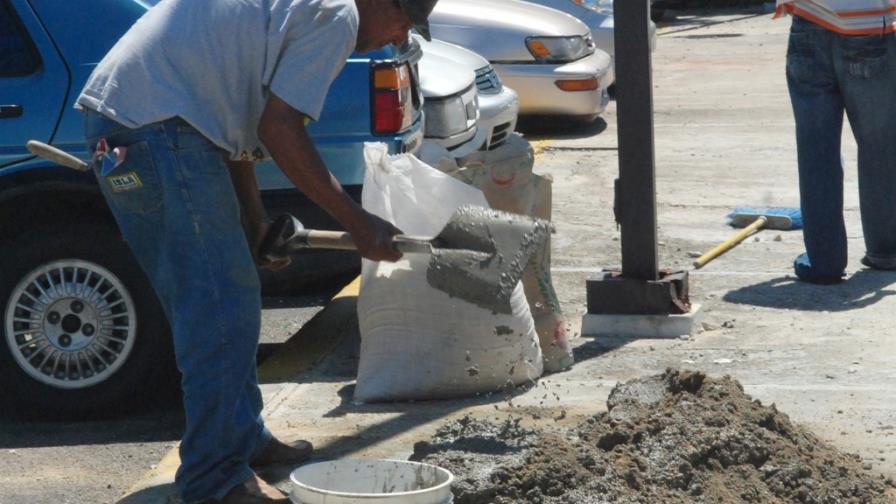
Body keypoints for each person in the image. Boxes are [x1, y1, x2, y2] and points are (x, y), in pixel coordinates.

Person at [76, 0, 438, 502]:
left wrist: (254, 217)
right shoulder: (338, 14)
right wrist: (357, 222)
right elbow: (280, 128)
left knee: (226, 296)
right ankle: (214, 475)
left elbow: (239, 122)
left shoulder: (302, 10)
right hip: (156, 129)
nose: (398, 38)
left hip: (144, 123)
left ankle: (240, 437)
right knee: (218, 305)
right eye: (403, 22)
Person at [776, 0, 896, 284]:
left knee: (816, 151)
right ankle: (886, 251)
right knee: (880, 147)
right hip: (869, 26)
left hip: (808, 21)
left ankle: (824, 261)